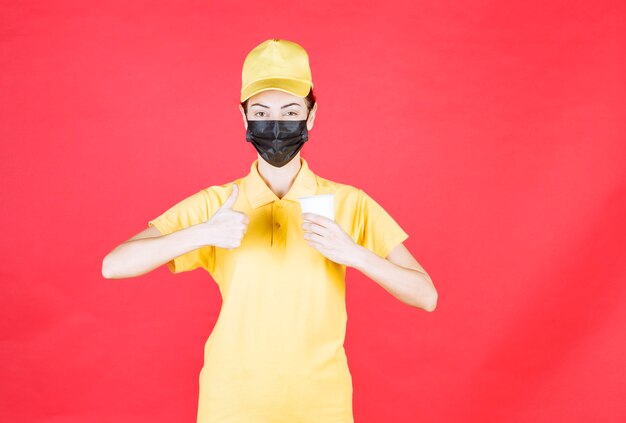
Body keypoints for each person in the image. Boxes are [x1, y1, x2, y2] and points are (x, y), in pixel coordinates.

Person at [102, 38, 437, 423]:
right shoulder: (219, 203)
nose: (276, 125)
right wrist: (202, 234)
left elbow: (425, 295)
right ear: (244, 118)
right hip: (230, 402)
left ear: (311, 116)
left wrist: (355, 254)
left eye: (291, 110)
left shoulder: (350, 203)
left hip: (322, 403)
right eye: (261, 111)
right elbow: (114, 265)